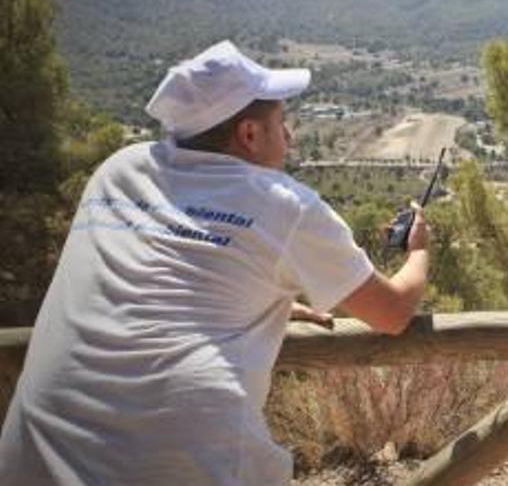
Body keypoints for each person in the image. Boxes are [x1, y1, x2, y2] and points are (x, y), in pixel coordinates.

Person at [0, 41, 431, 484]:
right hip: (184, 466)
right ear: (248, 134)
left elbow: (160, 268)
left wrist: (259, 304)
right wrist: (419, 251)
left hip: (36, 457)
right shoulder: (285, 205)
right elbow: (393, 312)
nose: (290, 137)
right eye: (282, 123)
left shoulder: (118, 169)